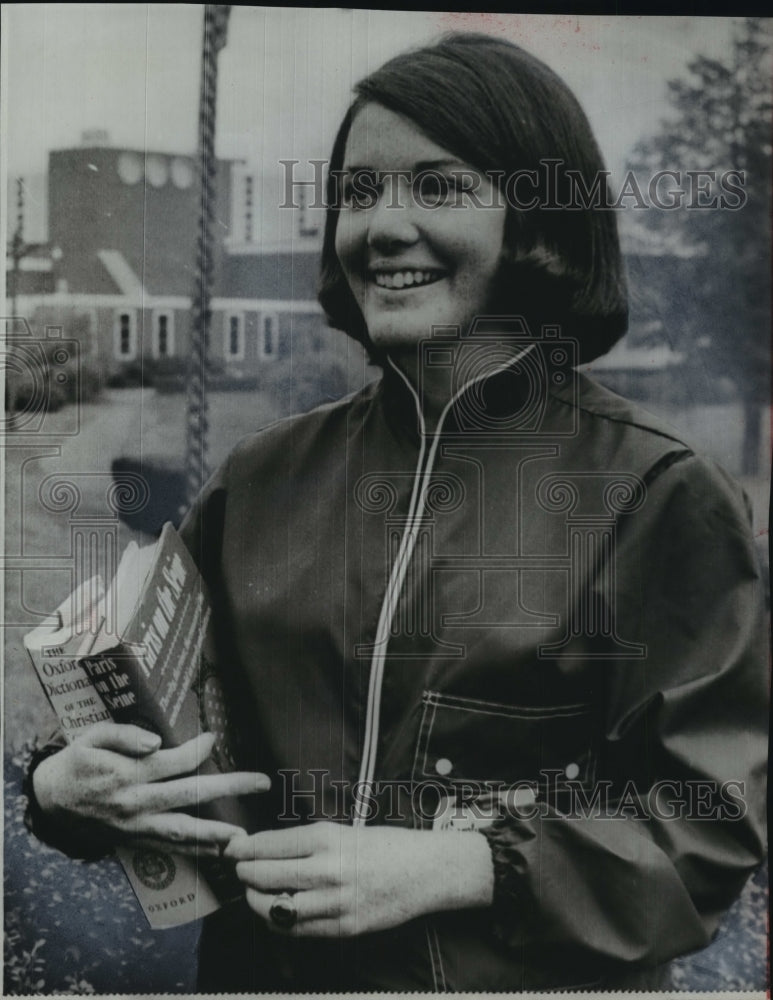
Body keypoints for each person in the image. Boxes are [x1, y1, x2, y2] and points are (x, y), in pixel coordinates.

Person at [26, 32, 766, 993]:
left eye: (438, 187)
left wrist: (458, 867)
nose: (381, 224)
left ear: (539, 220)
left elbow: (704, 833)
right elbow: (160, 723)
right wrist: (63, 786)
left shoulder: (655, 493)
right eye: (359, 191)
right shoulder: (259, 479)